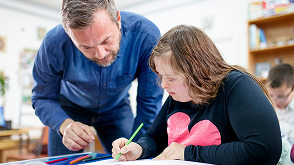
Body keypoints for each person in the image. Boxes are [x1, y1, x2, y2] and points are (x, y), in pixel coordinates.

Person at [111, 25, 282, 165]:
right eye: (161, 77)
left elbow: (263, 150)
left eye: (171, 78)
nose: (163, 85)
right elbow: (155, 137)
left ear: (200, 71)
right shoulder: (177, 97)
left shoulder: (236, 86)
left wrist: (187, 152)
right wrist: (139, 148)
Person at [31, 0, 163, 156]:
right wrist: (63, 124)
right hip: (69, 109)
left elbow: (149, 102)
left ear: (118, 19)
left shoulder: (146, 37)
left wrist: (140, 147)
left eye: (106, 41)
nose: (101, 55)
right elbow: (42, 98)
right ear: (69, 36)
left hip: (117, 108)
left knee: (133, 156)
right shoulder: (53, 45)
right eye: (86, 47)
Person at [266, 63, 294, 145]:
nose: (276, 101)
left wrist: (278, 123)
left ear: (292, 89)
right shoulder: (267, 102)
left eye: (281, 97)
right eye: (271, 95)